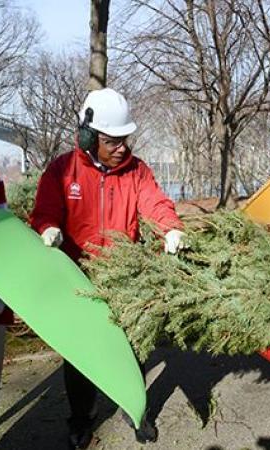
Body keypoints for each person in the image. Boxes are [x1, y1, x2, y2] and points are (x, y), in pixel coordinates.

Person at [29, 87, 186, 449]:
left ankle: (137, 412)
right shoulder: (62, 170)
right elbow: (45, 211)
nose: (121, 147)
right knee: (81, 356)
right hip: (77, 278)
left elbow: (156, 204)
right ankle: (81, 420)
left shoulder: (136, 172)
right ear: (88, 137)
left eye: (124, 139)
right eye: (112, 141)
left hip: (123, 277)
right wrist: (48, 228)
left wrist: (171, 228)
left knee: (133, 350)